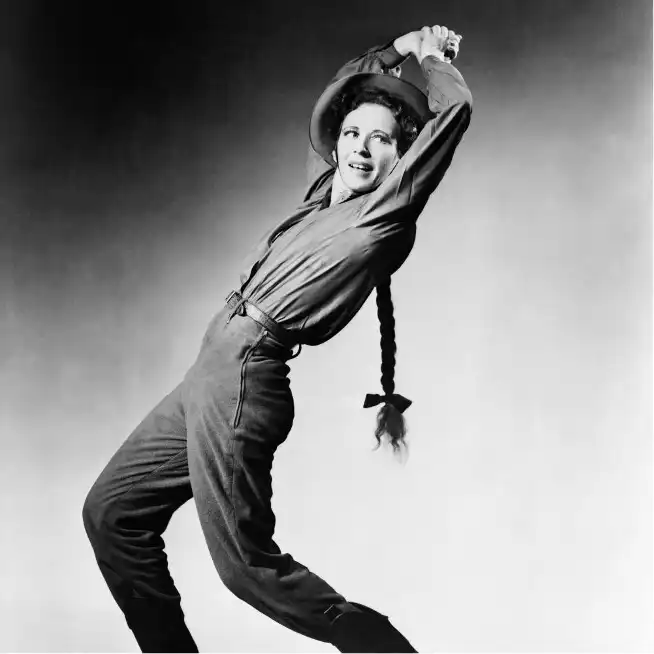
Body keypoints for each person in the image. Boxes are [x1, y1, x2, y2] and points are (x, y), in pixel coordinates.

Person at [82, 23, 472, 653]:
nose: (361, 150)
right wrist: (398, 49)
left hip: (245, 378)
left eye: (381, 140)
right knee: (111, 515)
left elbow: (455, 111)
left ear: (405, 155)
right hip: (207, 371)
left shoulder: (385, 213)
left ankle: (385, 649)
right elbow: (348, 83)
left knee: (245, 567)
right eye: (352, 135)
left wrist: (430, 59)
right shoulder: (327, 193)